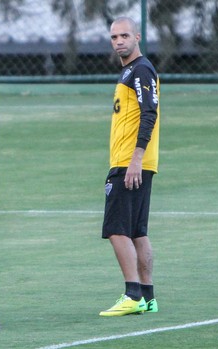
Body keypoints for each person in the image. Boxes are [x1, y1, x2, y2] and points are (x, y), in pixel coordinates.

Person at [98, 17, 160, 317]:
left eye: (124, 35)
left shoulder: (140, 70)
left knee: (116, 229)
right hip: (134, 162)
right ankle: (147, 297)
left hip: (129, 162)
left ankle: (132, 294)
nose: (119, 41)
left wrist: (135, 159)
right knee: (137, 231)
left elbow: (150, 113)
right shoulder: (130, 71)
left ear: (137, 36)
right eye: (114, 37)